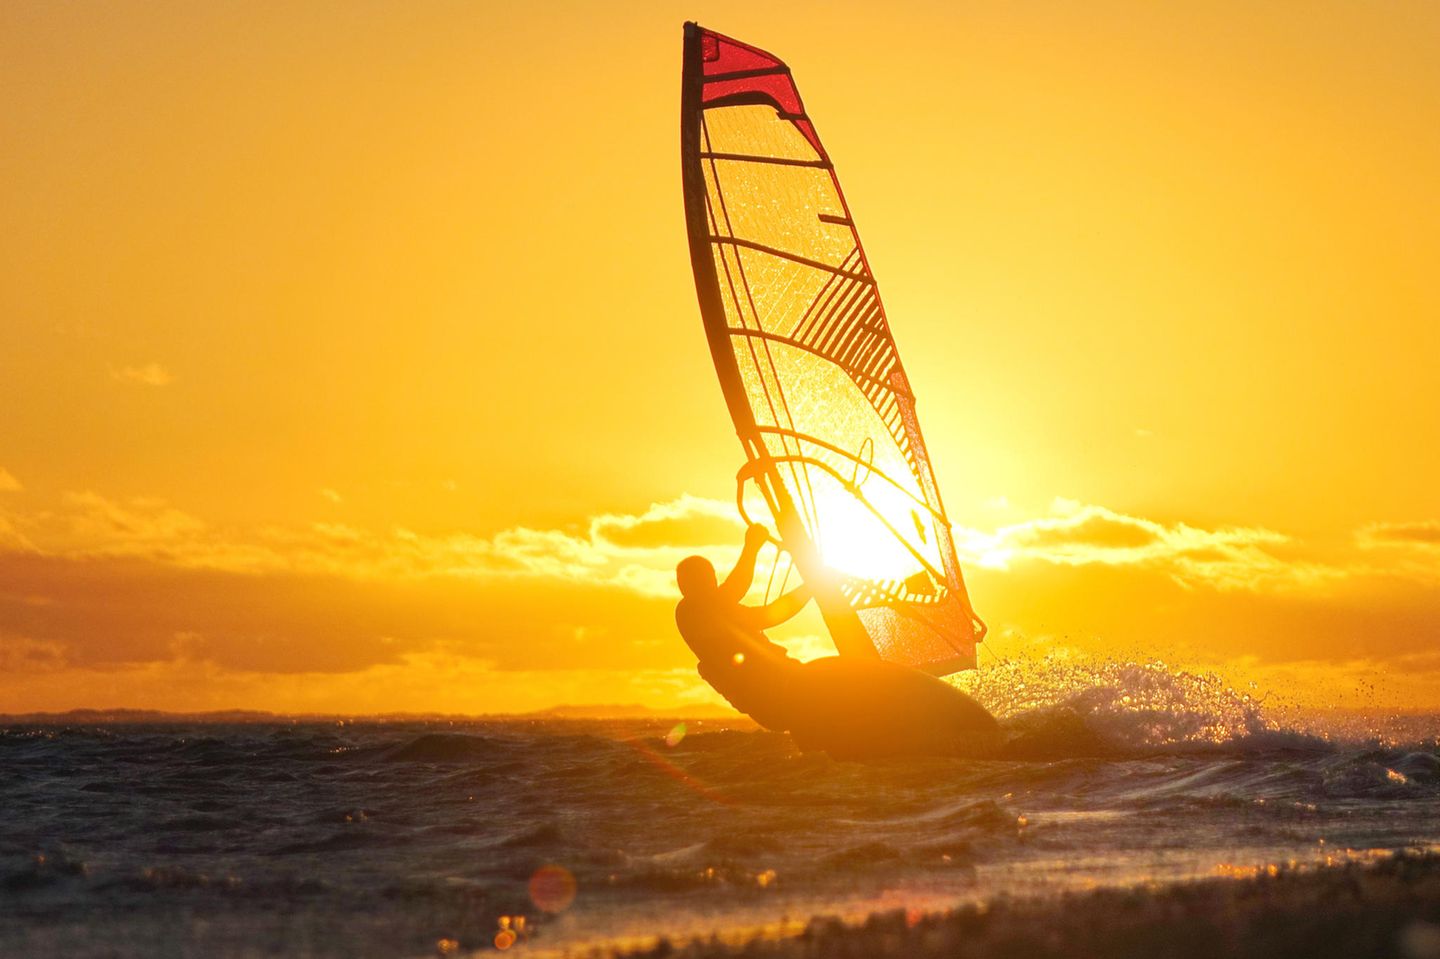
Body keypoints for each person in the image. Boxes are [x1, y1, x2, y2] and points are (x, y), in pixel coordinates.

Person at [674, 524, 812, 727]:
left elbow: (755, 606)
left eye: (711, 577)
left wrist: (809, 588)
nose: (712, 583)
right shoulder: (691, 613)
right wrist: (751, 547)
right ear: (684, 586)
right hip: (774, 698)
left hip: (781, 689)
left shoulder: (720, 611)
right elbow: (764, 613)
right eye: (702, 579)